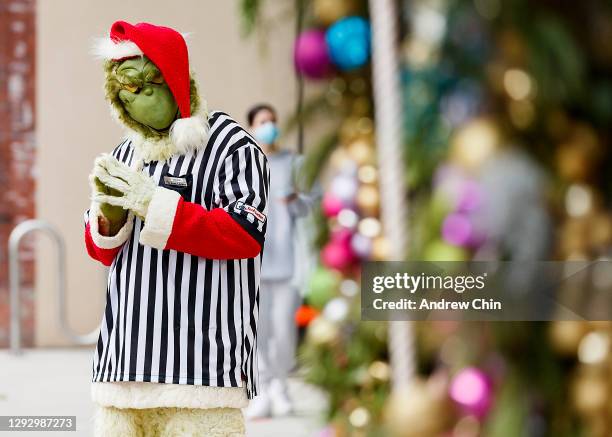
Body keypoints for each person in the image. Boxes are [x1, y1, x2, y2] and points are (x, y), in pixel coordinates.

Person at [85, 21, 269, 436]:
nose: (140, 101)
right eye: (127, 94)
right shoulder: (123, 152)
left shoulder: (231, 144)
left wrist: (153, 203)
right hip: (124, 363)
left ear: (175, 81)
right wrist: (108, 219)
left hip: (199, 367)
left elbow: (243, 235)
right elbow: (102, 251)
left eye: (149, 86)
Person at [244, 104, 318, 418]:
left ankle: (281, 387)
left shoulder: (294, 163)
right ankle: (261, 389)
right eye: (263, 122)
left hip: (288, 263)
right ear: (251, 126)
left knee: (284, 330)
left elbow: (312, 205)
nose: (270, 126)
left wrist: (297, 200)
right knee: (258, 330)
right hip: (255, 262)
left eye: (273, 120)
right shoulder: (245, 162)